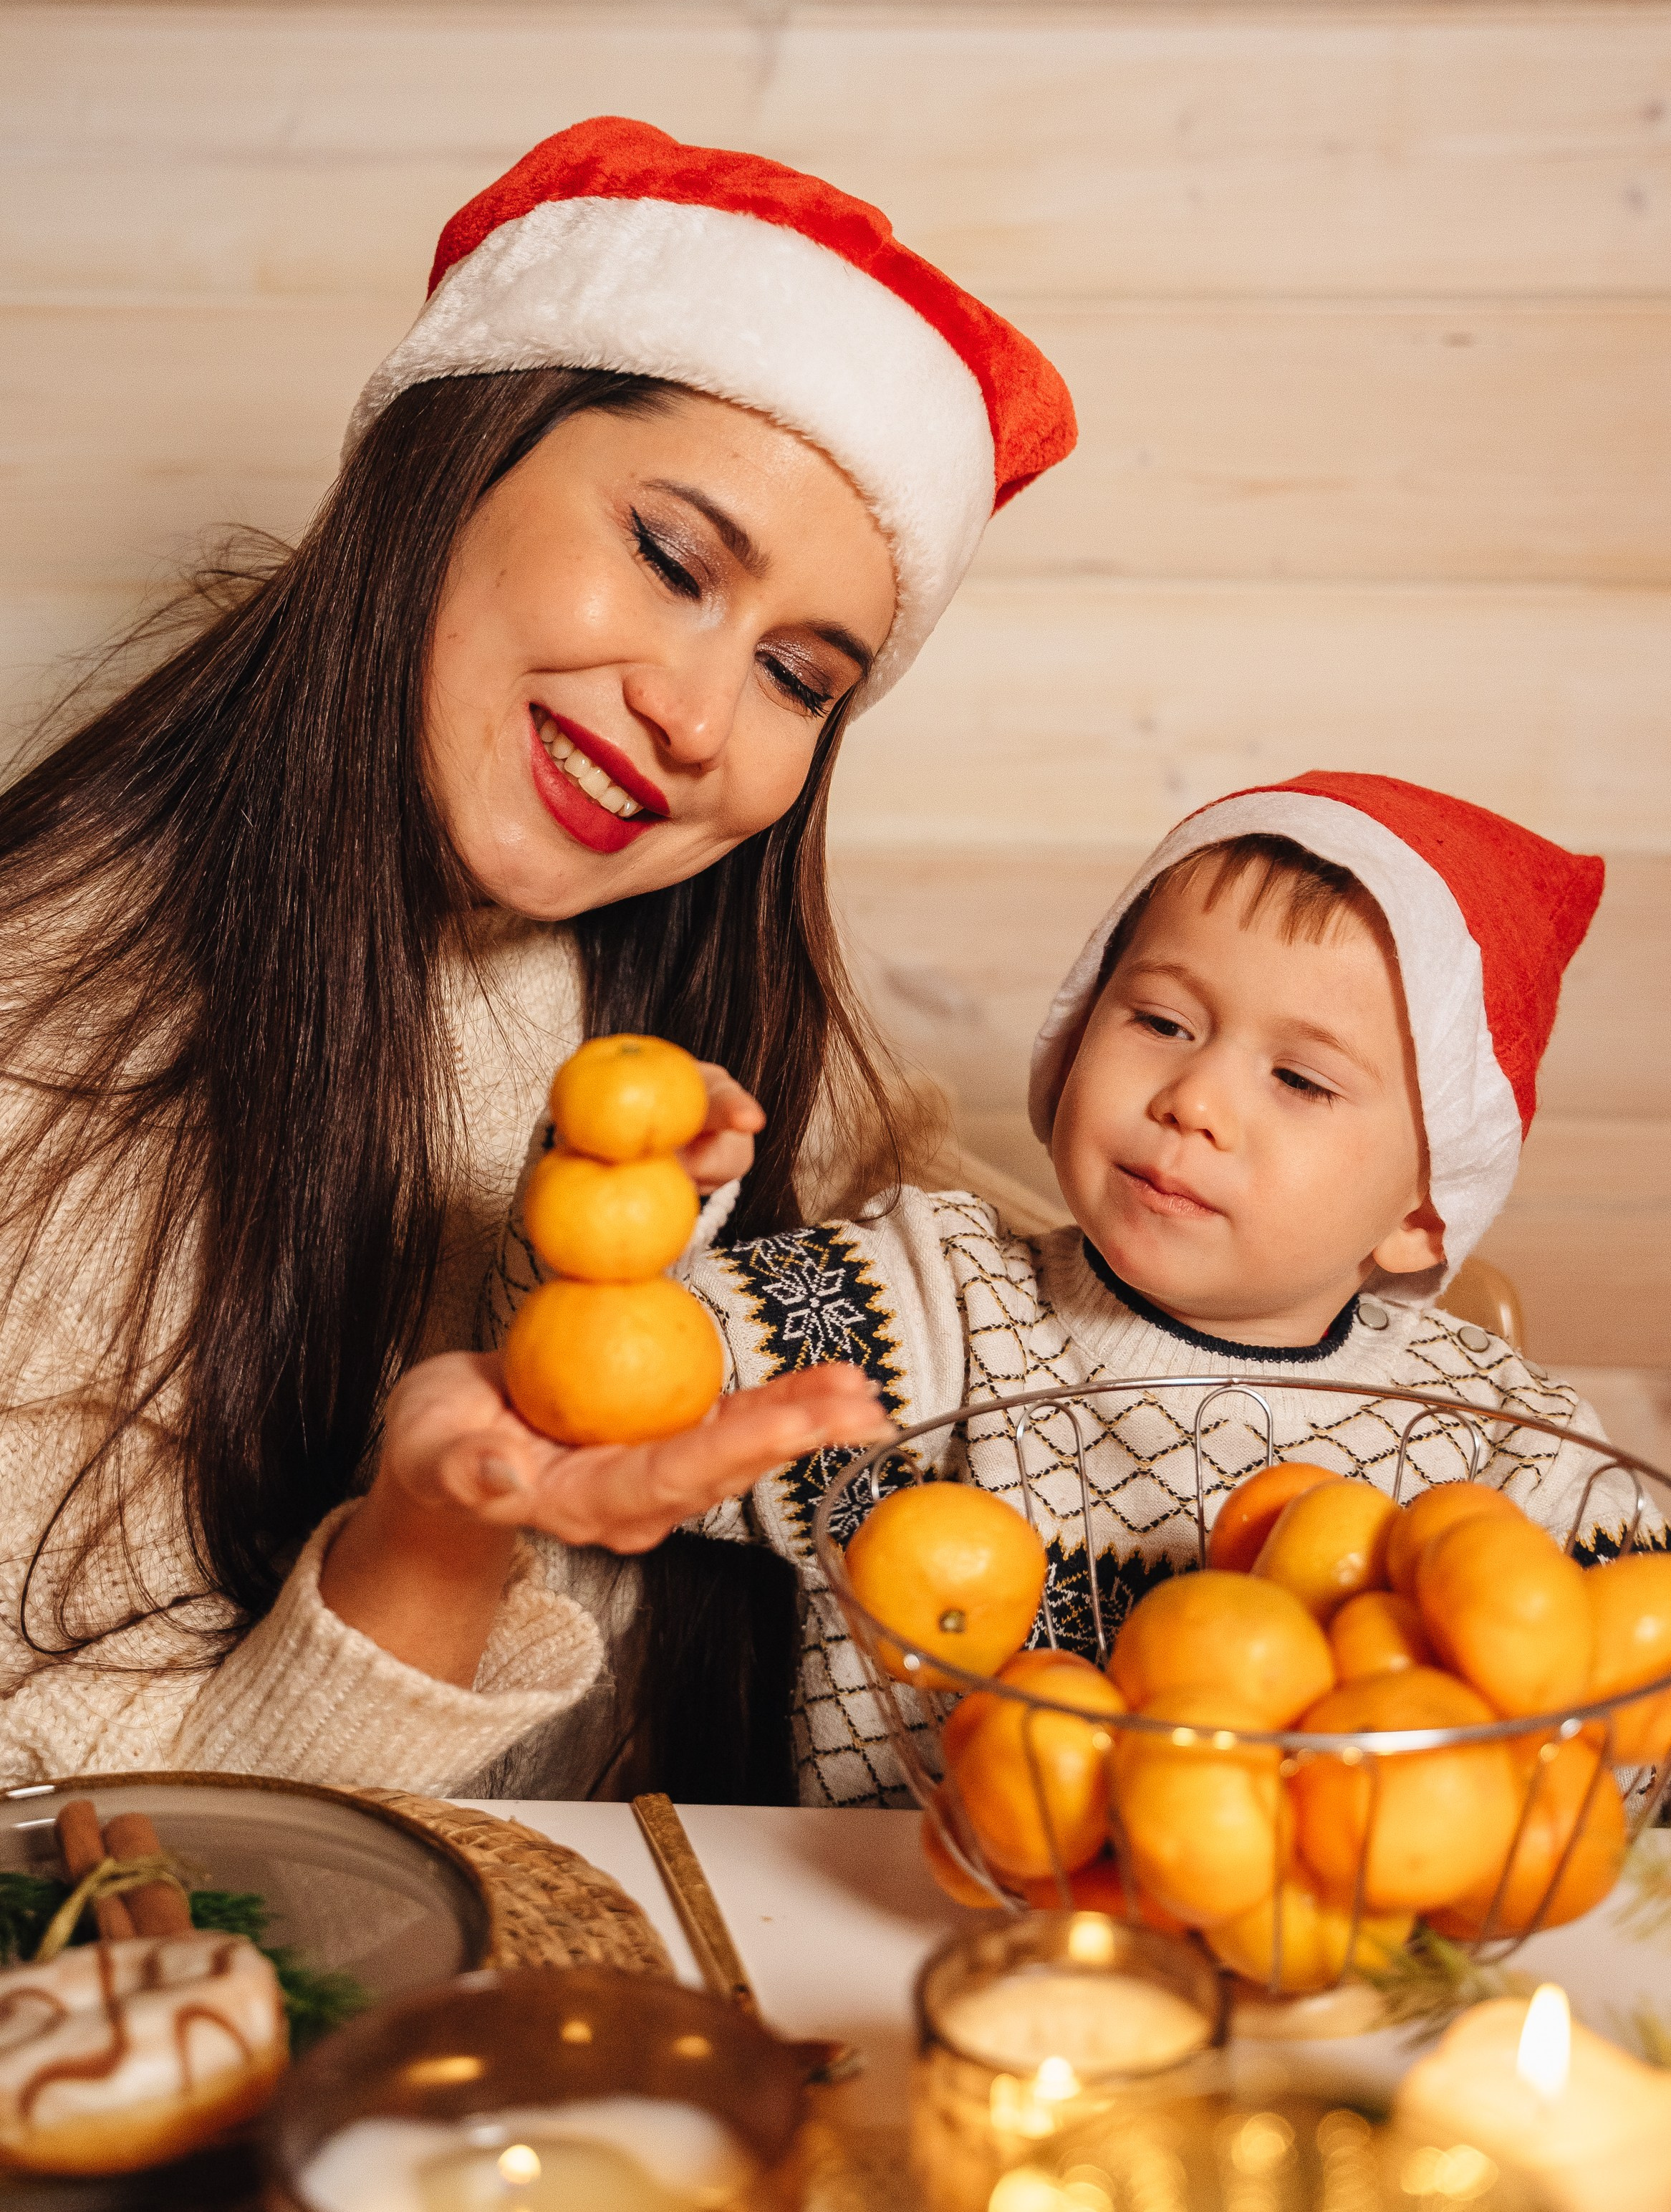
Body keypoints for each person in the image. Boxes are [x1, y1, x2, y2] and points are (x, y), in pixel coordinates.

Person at [0, 115, 1077, 1797]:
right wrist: (433, 1547)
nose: (701, 715)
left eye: (804, 678)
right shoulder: (45, 1046)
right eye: (668, 559)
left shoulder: (705, 1010)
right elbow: (91, 1879)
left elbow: (1053, 1320)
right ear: (446, 466)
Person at [488, 771, 1638, 1804]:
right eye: (1159, 1020)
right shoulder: (929, 1301)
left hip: (1336, 1962)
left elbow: (1624, 1750)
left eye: (1297, 1078)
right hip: (886, 1926)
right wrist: (620, 1214)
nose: (1194, 1097)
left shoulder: (1512, 1451)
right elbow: (598, 1407)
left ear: (1422, 1210)